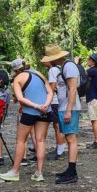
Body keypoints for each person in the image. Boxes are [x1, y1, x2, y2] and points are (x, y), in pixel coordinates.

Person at [0, 58, 52, 182]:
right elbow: (50, 92)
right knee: (40, 140)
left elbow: (20, 99)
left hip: (30, 112)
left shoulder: (18, 79)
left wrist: (36, 106)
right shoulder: (38, 73)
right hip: (45, 110)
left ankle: (15, 171)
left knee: (20, 141)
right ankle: (39, 173)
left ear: (15, 70)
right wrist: (44, 105)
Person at [41, 44, 81, 184]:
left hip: (69, 107)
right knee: (69, 139)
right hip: (65, 107)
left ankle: (72, 172)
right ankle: (70, 170)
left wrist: (69, 110)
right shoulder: (64, 67)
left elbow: (72, 89)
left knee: (71, 139)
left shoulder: (69, 66)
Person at [44, 60, 67, 160]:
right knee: (57, 126)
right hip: (59, 100)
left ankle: (60, 151)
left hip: (55, 101)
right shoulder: (57, 68)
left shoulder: (52, 70)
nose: (42, 62)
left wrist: (47, 101)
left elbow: (52, 87)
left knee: (58, 126)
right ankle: (59, 148)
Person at [85, 53, 97, 149]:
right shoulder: (94, 71)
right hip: (95, 98)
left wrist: (77, 64)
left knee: (94, 120)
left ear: (93, 62)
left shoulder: (92, 70)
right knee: (96, 120)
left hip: (93, 99)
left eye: (89, 59)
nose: (87, 60)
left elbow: (81, 74)